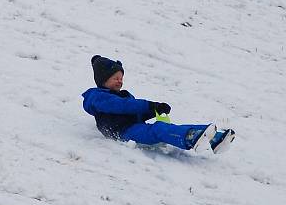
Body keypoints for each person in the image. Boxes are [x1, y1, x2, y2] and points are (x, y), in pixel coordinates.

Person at [82, 55, 234, 153]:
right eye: (115, 77)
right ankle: (191, 138)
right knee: (159, 129)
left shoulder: (124, 95)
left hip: (134, 128)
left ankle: (215, 139)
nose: (120, 81)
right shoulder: (96, 96)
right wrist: (150, 105)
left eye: (121, 78)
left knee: (167, 127)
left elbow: (133, 111)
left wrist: (154, 110)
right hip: (122, 133)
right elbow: (120, 106)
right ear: (103, 79)